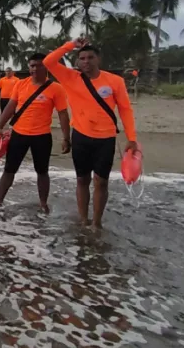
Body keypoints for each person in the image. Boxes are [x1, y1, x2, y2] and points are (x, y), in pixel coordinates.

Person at [44, 37, 138, 229]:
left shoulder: (115, 81)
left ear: (98, 59)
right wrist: (71, 45)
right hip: (81, 136)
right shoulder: (70, 78)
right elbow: (48, 62)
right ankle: (83, 219)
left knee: (101, 182)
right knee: (82, 179)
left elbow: (125, 109)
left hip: (106, 139)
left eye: (90, 57)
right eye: (82, 58)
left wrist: (132, 138)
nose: (86, 61)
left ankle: (96, 222)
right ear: (78, 62)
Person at [0, 53, 71, 213]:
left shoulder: (56, 88)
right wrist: (0, 126)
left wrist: (66, 138)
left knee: (42, 172)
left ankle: (43, 204)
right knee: (9, 170)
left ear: (46, 67)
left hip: (42, 137)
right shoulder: (21, 84)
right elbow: (11, 106)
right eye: (32, 65)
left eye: (39, 65)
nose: (35, 69)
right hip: (18, 134)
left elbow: (63, 114)